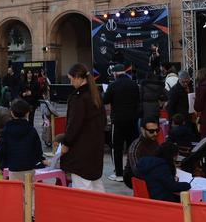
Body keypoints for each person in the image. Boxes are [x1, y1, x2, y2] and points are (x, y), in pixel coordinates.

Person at [57, 63, 107, 191]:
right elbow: (103, 122)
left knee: (82, 188)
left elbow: (74, 124)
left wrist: (66, 144)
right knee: (96, 185)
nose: (71, 82)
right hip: (95, 147)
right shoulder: (96, 95)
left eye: (71, 79)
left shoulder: (79, 98)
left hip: (81, 150)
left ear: (79, 78)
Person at [105, 65, 142, 180]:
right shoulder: (134, 84)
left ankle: (119, 174)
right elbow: (138, 100)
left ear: (115, 74)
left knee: (117, 147)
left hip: (118, 121)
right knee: (133, 146)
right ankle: (132, 171)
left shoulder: (113, 85)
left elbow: (105, 100)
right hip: (133, 120)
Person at [0, 99, 44, 179]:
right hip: (29, 165)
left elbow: (2, 149)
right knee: (29, 189)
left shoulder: (7, 129)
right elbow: (37, 147)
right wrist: (40, 159)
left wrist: (0, 165)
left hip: (13, 166)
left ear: (11, 113)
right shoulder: (31, 129)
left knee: (15, 189)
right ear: (27, 113)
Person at [124, 119, 162, 186]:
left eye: (157, 130)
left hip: (151, 174)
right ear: (142, 130)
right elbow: (136, 170)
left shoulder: (154, 141)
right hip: (135, 177)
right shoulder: (135, 147)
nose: (155, 133)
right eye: (151, 131)